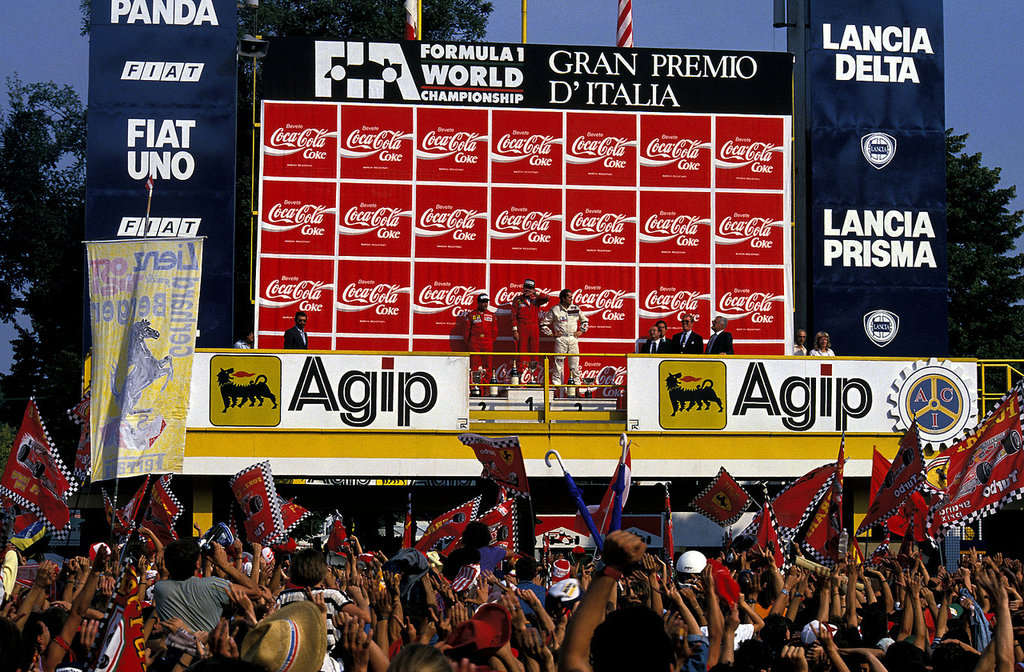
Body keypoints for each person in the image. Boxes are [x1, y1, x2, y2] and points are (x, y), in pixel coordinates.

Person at [153, 538, 261, 633]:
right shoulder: (213, 585)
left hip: (171, 653)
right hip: (207, 652)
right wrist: (225, 565)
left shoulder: (160, 588)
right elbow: (255, 592)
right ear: (197, 564)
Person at [541, 289, 589, 389]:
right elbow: (543, 324)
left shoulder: (575, 308)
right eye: (569, 297)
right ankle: (556, 386)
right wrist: (552, 334)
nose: (572, 299)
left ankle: (577, 387)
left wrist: (581, 331)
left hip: (573, 338)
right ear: (563, 298)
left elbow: (585, 321)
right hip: (561, 339)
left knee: (574, 363)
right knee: (558, 363)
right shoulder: (555, 309)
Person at [511, 279, 550, 376]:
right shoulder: (517, 299)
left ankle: (534, 375)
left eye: (530, 288)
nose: (527, 290)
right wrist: (515, 330)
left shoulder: (536, 299)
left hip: (534, 326)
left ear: (533, 289)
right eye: (526, 288)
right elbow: (513, 316)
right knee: (521, 350)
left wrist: (535, 293)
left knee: (535, 350)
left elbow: (546, 298)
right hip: (522, 326)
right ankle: (520, 374)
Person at [463, 293, 496, 395]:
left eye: (486, 302)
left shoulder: (492, 315)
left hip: (488, 344)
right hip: (475, 343)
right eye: (483, 302)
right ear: (478, 303)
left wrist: (489, 341)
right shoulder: (471, 315)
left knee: (488, 367)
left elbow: (495, 332)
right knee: (475, 368)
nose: (485, 304)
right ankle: (476, 389)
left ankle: (486, 389)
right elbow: (466, 332)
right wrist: (471, 343)